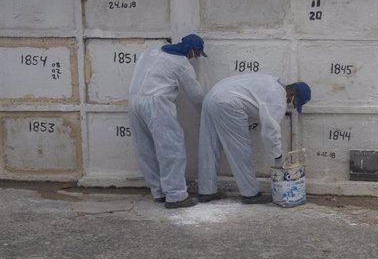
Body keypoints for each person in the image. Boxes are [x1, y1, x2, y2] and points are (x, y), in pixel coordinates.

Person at [197, 74, 311, 204]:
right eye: (295, 103)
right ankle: (250, 194)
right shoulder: (278, 98)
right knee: (241, 150)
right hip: (228, 103)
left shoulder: (272, 83)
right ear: (292, 94)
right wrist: (278, 157)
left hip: (212, 95)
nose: (293, 106)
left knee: (209, 145)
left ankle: (206, 191)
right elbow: (270, 131)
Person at [128, 34, 207, 209]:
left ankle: (158, 192)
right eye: (196, 54)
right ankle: (176, 195)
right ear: (191, 50)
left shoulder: (152, 51)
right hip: (157, 103)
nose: (195, 58)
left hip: (134, 101)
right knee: (172, 147)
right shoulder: (182, 64)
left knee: (145, 148)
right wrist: (207, 115)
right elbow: (196, 96)